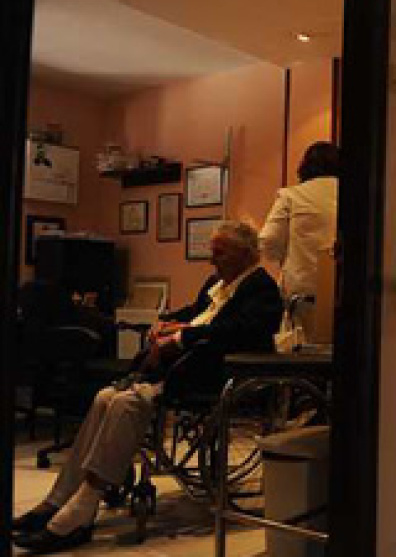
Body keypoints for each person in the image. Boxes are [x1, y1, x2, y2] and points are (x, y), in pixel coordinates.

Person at [13, 221, 282, 554]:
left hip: (210, 376)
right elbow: (196, 312)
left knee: (126, 403)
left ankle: (81, 510)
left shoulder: (263, 289)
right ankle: (57, 501)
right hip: (182, 369)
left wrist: (179, 337)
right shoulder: (216, 284)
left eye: (219, 253)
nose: (211, 260)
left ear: (245, 254)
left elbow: (236, 330)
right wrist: (165, 322)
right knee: (105, 397)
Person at [259, 141, 338, 340]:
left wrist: (285, 256)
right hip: (345, 296)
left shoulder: (291, 196)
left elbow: (268, 241)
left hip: (303, 296)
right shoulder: (356, 197)